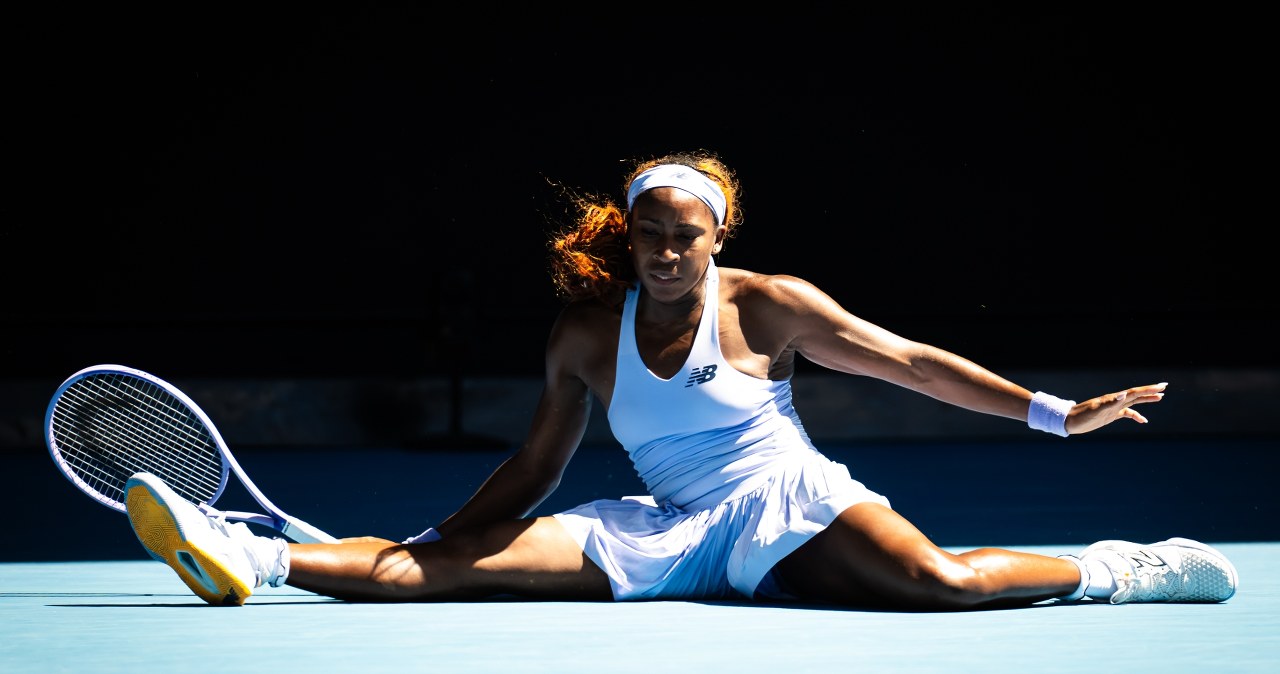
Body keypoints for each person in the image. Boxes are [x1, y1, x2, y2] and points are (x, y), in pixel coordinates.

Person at [122, 150, 1238, 609]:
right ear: (630, 238)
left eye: (685, 237)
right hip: (663, 524)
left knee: (937, 584)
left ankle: (1114, 569)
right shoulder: (579, 332)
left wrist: (1054, 413)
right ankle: (249, 549)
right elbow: (536, 463)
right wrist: (443, 536)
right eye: (648, 235)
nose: (664, 252)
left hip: (786, 501)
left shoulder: (768, 304)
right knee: (434, 574)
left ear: (717, 237)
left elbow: (905, 362)